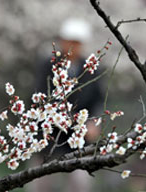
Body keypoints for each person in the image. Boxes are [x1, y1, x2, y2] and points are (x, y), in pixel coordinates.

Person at [30, 18, 103, 192]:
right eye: (69, 41)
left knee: (80, 182)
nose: (72, 47)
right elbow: (39, 97)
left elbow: (97, 99)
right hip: (48, 133)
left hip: (79, 136)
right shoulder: (48, 66)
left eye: (77, 43)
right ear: (62, 41)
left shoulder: (91, 69)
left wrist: (94, 122)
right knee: (41, 182)